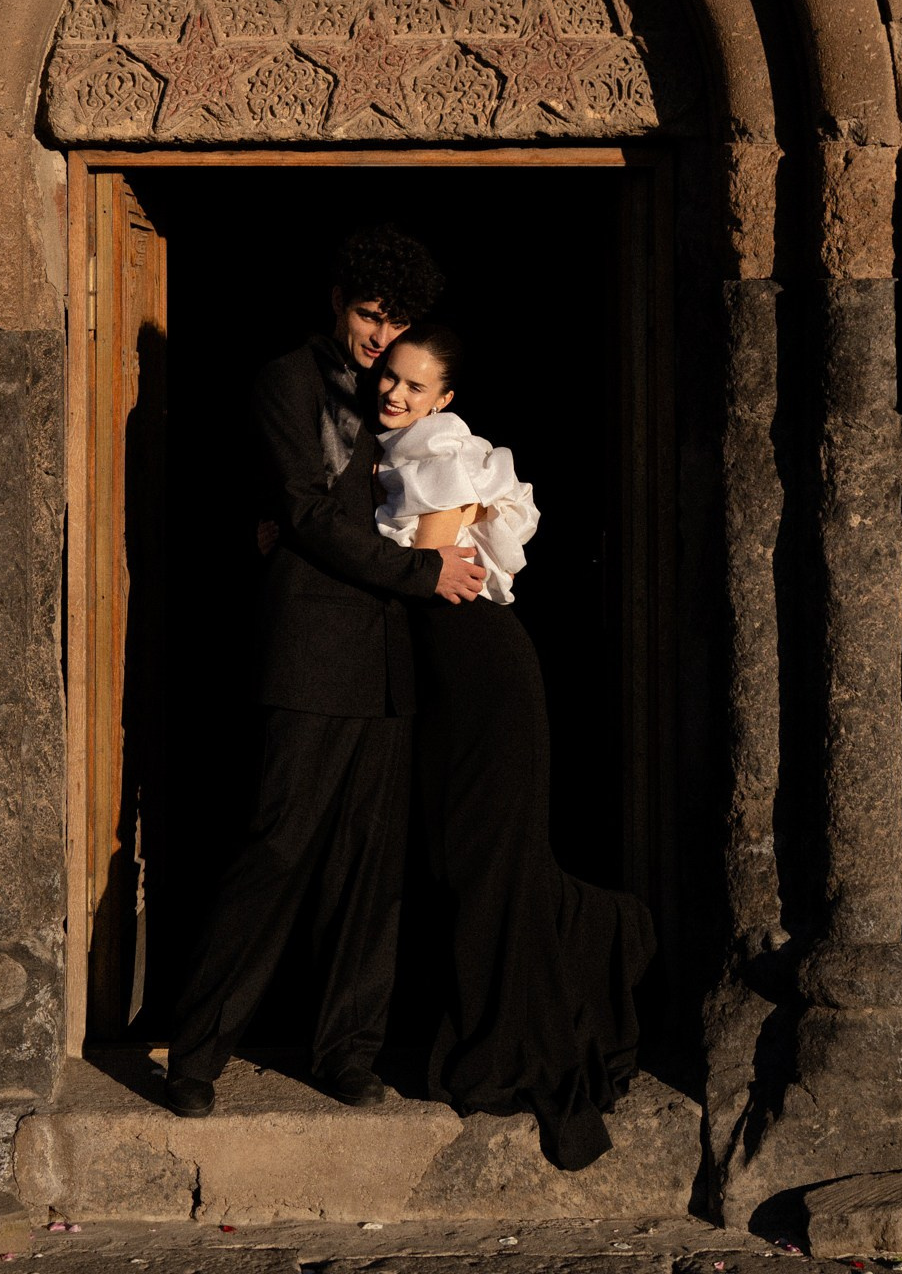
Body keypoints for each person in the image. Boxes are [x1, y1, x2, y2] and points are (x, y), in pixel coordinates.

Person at [163, 228, 487, 1119]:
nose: (382, 338)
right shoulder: (287, 380)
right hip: (309, 657)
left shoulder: (405, 394)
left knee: (370, 867)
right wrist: (423, 572)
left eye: (397, 322)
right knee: (274, 849)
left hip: (392, 664)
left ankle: (348, 1052)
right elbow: (303, 511)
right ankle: (195, 1056)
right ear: (337, 301)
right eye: (368, 316)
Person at [373, 322, 656, 1171]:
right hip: (450, 675)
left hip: (481, 671)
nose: (395, 394)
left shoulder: (440, 450)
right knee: (475, 860)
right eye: (391, 377)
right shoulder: (389, 449)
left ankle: (583, 967)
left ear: (443, 399)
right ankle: (604, 935)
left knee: (490, 857)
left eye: (416, 386)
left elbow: (424, 561)